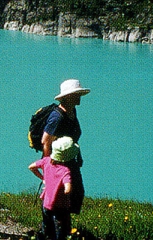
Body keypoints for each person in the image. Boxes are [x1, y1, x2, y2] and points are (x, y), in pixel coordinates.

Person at [41, 79, 89, 215]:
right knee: (60, 194)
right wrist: (48, 165)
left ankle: (62, 225)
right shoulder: (57, 117)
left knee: (76, 192)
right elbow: (45, 141)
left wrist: (78, 156)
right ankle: (54, 227)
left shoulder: (72, 111)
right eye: (76, 94)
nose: (79, 97)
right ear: (68, 97)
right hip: (57, 162)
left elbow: (73, 137)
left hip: (70, 160)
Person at [29, 136, 80, 240]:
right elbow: (68, 189)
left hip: (46, 204)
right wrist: (68, 190)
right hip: (60, 207)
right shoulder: (65, 171)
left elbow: (31, 167)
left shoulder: (46, 161)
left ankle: (43, 236)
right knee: (60, 231)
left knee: (46, 225)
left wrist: (43, 178)